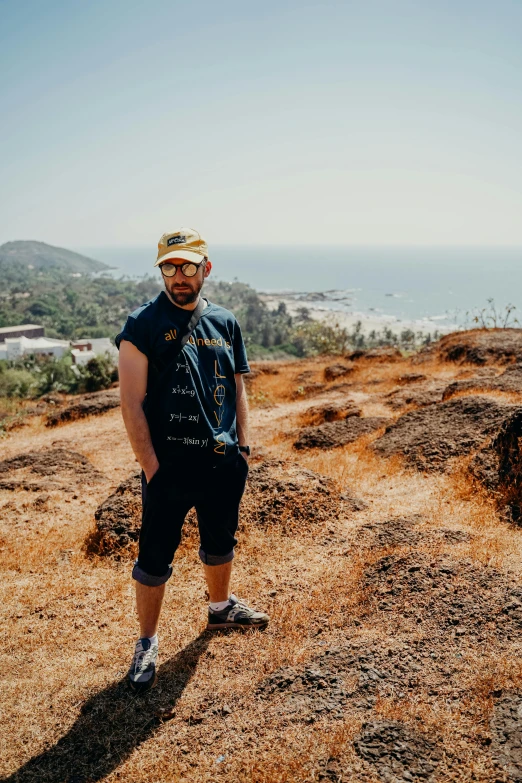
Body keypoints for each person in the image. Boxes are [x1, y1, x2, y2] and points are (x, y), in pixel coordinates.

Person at [116, 227, 269, 693]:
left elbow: (238, 383)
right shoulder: (141, 324)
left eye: (187, 266)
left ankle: (220, 609)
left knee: (220, 541)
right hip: (169, 469)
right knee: (154, 558)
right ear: (161, 269)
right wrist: (151, 468)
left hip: (222, 463)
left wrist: (243, 446)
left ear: (206, 268)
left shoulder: (225, 321)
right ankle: (146, 642)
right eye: (169, 266)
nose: (178, 276)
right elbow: (131, 403)